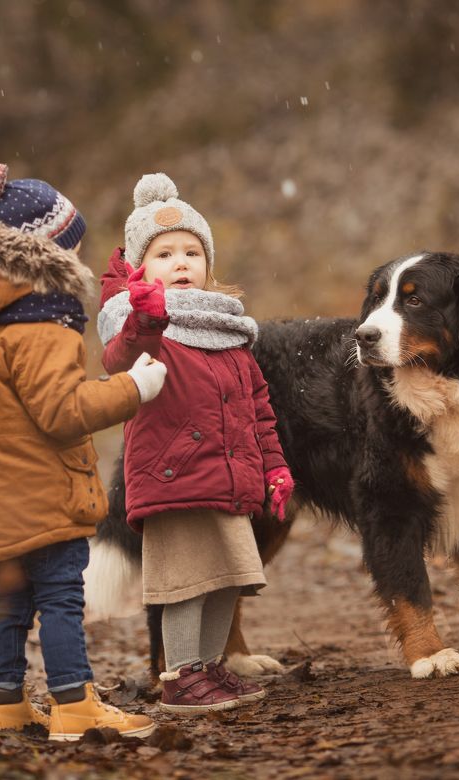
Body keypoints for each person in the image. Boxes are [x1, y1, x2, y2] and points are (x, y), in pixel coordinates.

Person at [0, 164, 167, 740]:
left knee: (8, 603)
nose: (81, 259)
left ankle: (3, 704)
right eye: (74, 247)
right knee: (63, 597)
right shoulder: (43, 325)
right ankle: (73, 703)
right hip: (42, 494)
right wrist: (134, 387)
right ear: (46, 255)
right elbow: (62, 413)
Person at [97, 172, 293, 714]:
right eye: (163, 254)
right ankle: (180, 676)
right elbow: (119, 358)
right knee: (186, 583)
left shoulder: (229, 333)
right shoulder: (143, 328)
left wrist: (274, 470)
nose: (180, 262)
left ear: (209, 264)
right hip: (175, 481)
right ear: (140, 267)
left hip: (229, 482)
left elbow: (260, 413)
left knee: (226, 579)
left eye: (191, 252)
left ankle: (209, 667)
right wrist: (143, 316)